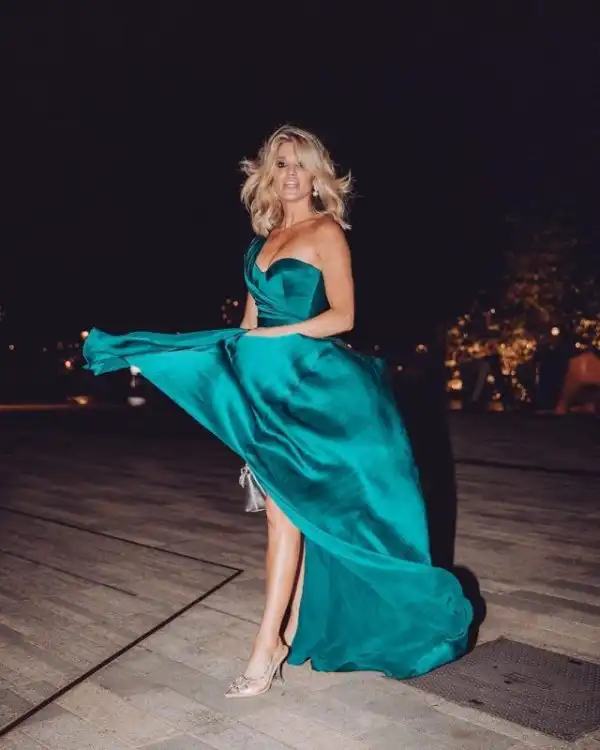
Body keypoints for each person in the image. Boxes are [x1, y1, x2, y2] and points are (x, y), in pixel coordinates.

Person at [83, 125, 473, 699]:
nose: (290, 173)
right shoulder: (258, 244)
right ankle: (285, 631)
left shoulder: (326, 231)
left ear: (317, 175)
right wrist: (244, 405)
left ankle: (267, 646)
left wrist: (275, 335)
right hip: (270, 392)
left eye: (300, 163)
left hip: (315, 389)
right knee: (290, 514)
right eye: (281, 163)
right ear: (269, 174)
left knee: (285, 517)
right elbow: (246, 327)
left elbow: (343, 316)